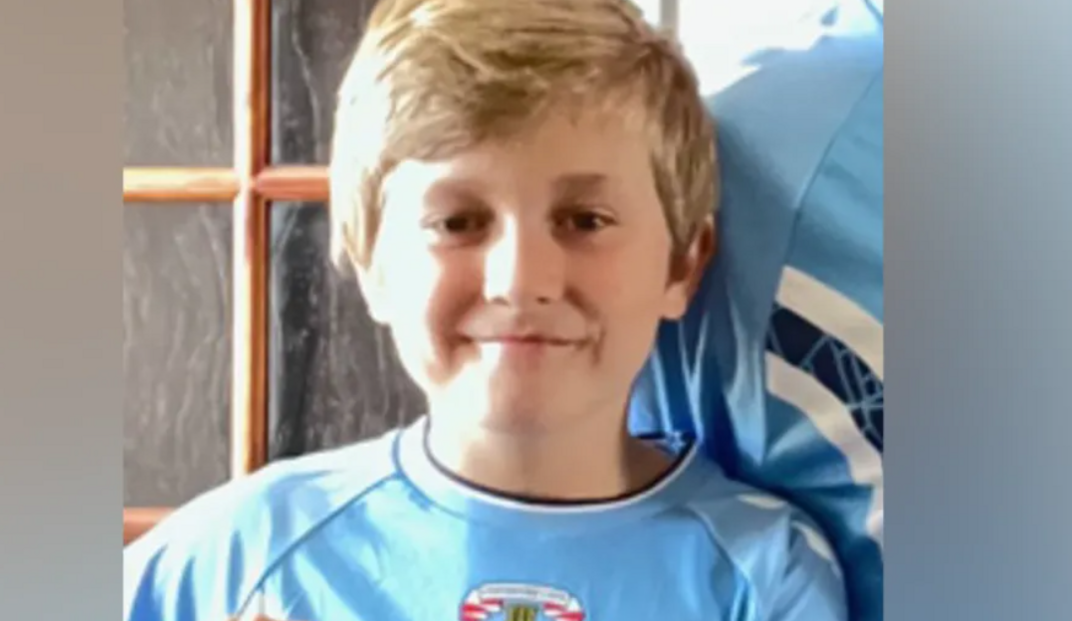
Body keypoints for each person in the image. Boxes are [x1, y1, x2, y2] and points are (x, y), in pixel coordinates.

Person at [124, 1, 846, 619]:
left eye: (585, 219)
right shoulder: (234, 563)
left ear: (684, 261)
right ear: (369, 259)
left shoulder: (761, 576)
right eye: (458, 222)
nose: (520, 279)